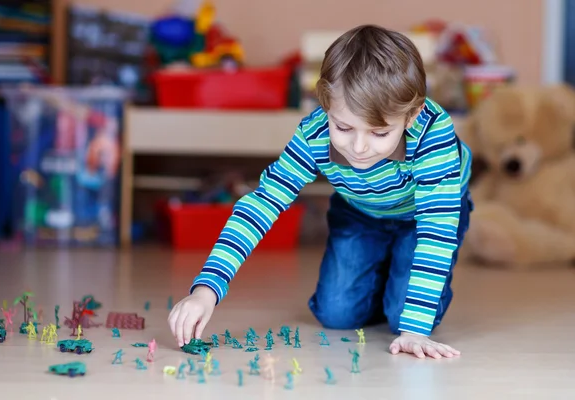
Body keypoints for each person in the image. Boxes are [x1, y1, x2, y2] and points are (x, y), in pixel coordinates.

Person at [168, 24, 473, 359]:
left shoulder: (433, 133)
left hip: (424, 216)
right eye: (343, 127)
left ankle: (400, 282)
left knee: (404, 316)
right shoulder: (313, 135)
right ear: (324, 104)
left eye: (379, 133)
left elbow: (436, 232)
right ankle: (387, 272)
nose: (359, 148)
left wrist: (415, 329)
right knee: (336, 314)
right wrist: (205, 290)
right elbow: (261, 205)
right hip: (360, 211)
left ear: (411, 115)